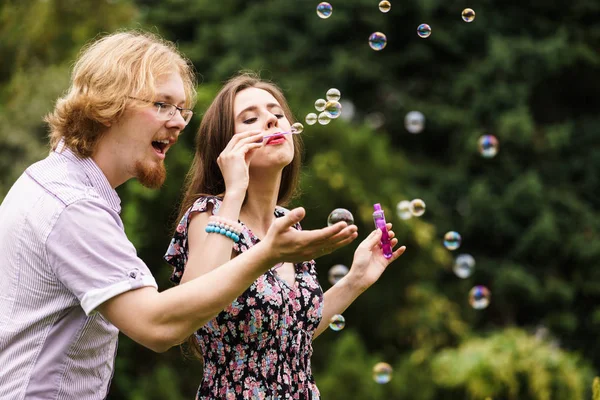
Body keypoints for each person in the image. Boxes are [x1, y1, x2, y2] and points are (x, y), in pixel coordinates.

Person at [0, 31, 358, 400]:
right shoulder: (72, 205)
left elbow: (292, 329)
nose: (179, 122)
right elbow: (158, 326)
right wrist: (266, 253)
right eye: (162, 105)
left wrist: (355, 278)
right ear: (109, 103)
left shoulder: (59, 186)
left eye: (182, 110)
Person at [164, 73, 407, 399]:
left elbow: (292, 334)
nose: (271, 120)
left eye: (277, 113)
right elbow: (188, 307)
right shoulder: (210, 214)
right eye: (250, 118)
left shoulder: (288, 226)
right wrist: (234, 189)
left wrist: (356, 279)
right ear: (226, 147)